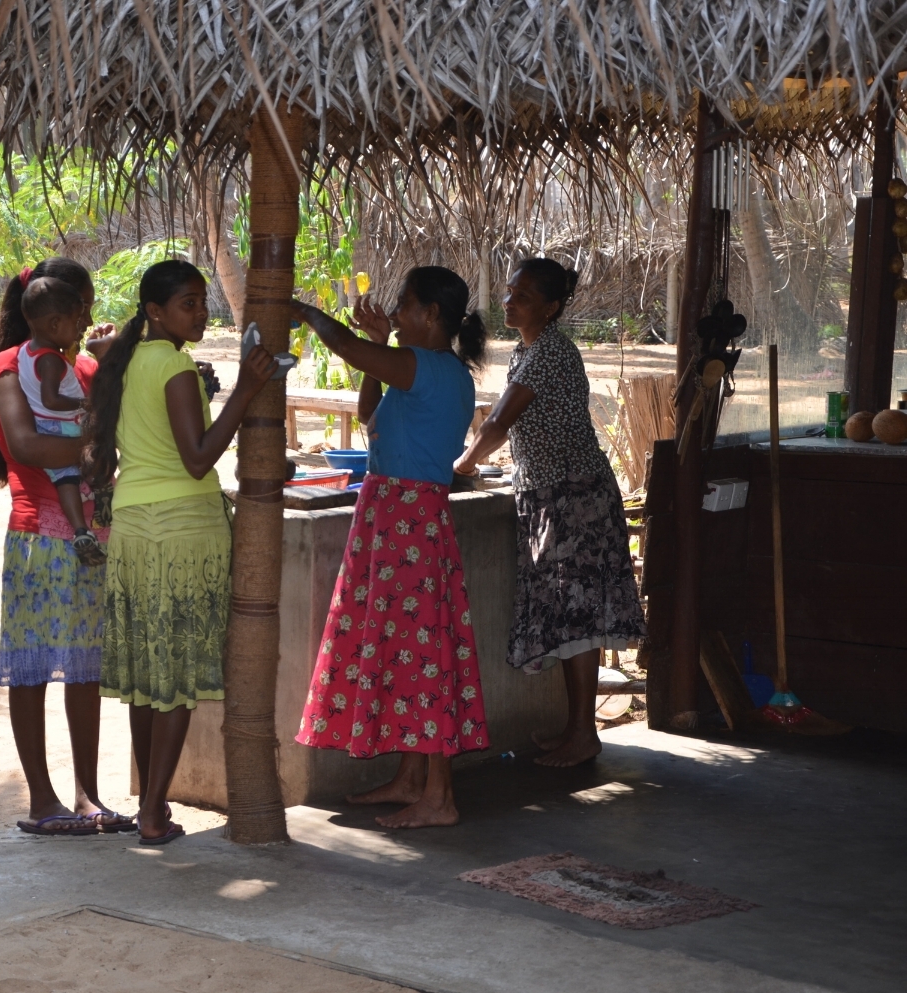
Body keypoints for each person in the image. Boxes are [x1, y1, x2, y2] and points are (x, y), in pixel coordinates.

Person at [83, 259, 277, 844]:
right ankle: (151, 810)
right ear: (154, 312)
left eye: (201, 301)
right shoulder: (172, 365)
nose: (201, 312)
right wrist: (245, 391)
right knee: (177, 677)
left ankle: (152, 804)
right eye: (188, 304)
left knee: (148, 674)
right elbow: (198, 457)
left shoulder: (129, 361)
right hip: (182, 533)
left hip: (137, 530)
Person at [292, 267, 491, 829]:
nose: (395, 313)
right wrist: (379, 345)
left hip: (409, 523)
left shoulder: (428, 368)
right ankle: (411, 779)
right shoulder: (418, 371)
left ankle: (439, 796)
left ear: (431, 316)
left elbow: (348, 349)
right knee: (412, 649)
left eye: (404, 306)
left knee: (422, 656)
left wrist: (304, 311)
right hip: (395, 519)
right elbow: (370, 419)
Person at [453, 258, 646, 767]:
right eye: (511, 292)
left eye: (523, 296)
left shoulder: (551, 353)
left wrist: (465, 463)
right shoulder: (526, 350)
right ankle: (575, 729)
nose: (510, 301)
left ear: (552, 307)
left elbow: (498, 421)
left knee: (578, 619)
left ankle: (585, 734)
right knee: (569, 616)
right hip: (552, 495)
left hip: (573, 498)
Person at [0, 256, 131, 835]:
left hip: (88, 534)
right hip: (38, 536)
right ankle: (43, 799)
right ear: (55, 314)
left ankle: (87, 795)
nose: (88, 318)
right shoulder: (11, 366)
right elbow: (26, 446)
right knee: (34, 668)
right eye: (81, 309)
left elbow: (102, 446)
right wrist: (91, 444)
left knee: (84, 669)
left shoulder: (80, 370)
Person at [16, 275, 106, 565]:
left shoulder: (24, 353)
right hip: (66, 424)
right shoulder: (50, 359)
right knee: (101, 446)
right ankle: (101, 501)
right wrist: (86, 403)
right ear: (55, 324)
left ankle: (80, 529)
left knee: (66, 479)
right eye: (76, 321)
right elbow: (51, 399)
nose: (82, 327)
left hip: (47, 427)